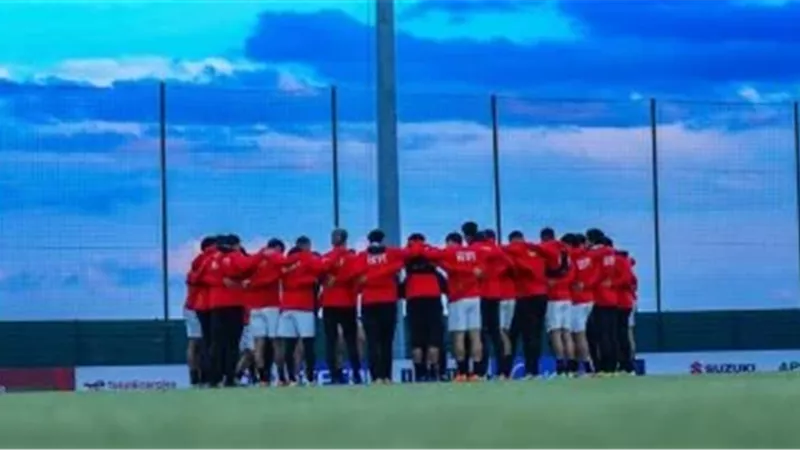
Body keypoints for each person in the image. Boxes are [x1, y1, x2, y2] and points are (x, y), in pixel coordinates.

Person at [424, 232, 486, 381]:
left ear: (451, 242)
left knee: (459, 336)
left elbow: (431, 255)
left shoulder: (450, 252)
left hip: (458, 298)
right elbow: (481, 271)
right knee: (475, 335)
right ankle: (477, 373)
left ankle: (462, 373)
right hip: (475, 297)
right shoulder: (474, 252)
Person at [352, 229, 406, 384]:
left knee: (373, 341)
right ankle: (387, 376)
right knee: (386, 341)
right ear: (383, 240)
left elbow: (358, 278)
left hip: (369, 302)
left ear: (369, 241)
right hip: (388, 301)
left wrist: (368, 278)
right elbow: (407, 258)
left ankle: (376, 377)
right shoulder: (392, 254)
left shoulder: (362, 256)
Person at [203, 234, 255, 387]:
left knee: (217, 343)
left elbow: (201, 276)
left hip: (216, 305)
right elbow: (249, 268)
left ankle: (214, 379)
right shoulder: (234, 257)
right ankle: (229, 378)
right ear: (235, 245)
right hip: (234, 304)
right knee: (231, 344)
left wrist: (220, 281)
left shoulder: (211, 258)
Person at [276, 237, 324, 386]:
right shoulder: (307, 261)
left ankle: (291, 378)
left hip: (287, 308)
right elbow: (320, 271)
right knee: (308, 345)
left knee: (289, 345)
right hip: (304, 308)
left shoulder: (284, 265)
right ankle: (310, 378)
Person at [320, 229, 363, 385]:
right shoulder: (353, 258)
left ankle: (335, 375)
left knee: (331, 341)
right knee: (350, 340)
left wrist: (332, 280)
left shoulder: (326, 257)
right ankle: (356, 374)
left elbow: (319, 274)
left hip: (330, 303)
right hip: (347, 303)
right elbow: (357, 279)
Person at [504, 231, 548, 379]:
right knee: (535, 333)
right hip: (542, 295)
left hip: (525, 296)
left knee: (516, 334)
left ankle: (507, 370)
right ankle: (533, 370)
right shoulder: (536, 250)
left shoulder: (514, 251)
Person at [241, 238, 285, 386]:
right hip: (271, 306)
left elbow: (245, 276)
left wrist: (252, 283)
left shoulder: (255, 259)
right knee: (276, 342)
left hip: (255, 307)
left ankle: (263, 379)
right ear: (277, 248)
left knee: (258, 343)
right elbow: (276, 276)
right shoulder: (277, 259)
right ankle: (281, 378)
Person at [402, 233, 446, 382]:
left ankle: (420, 373)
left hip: (414, 297)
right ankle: (434, 372)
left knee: (417, 339)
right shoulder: (431, 254)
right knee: (434, 338)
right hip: (432, 297)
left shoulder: (407, 256)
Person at [474, 229, 514, 380]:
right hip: (496, 294)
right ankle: (503, 370)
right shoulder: (498, 250)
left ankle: (481, 371)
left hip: (482, 294)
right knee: (496, 334)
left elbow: (477, 270)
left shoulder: (477, 249)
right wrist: (498, 272)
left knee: (482, 334)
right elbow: (510, 264)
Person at [184, 236, 217, 387]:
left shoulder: (197, 263)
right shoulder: (205, 262)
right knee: (199, 342)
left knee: (195, 342)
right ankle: (200, 375)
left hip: (192, 306)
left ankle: (195, 376)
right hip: (198, 307)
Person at [586, 229, 619, 375]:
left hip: (599, 297)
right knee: (611, 333)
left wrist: (586, 285)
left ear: (592, 240)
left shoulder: (594, 254)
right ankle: (613, 365)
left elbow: (595, 274)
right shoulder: (610, 252)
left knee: (601, 334)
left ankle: (604, 366)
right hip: (612, 297)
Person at [544, 232, 576, 376]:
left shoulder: (549, 254)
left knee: (556, 333)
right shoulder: (568, 256)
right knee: (567, 333)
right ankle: (571, 366)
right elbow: (571, 276)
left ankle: (560, 366)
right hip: (567, 298)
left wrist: (552, 283)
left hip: (554, 298)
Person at [567, 233, 597, 374]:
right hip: (589, 298)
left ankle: (583, 366)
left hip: (577, 300)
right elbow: (595, 275)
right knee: (580, 334)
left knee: (578, 335)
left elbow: (569, 277)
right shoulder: (588, 256)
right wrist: (586, 284)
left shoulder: (572, 256)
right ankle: (582, 365)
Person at [614, 250, 636, 374]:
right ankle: (629, 360)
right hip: (629, 302)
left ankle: (626, 362)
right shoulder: (630, 270)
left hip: (622, 303)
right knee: (627, 332)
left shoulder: (623, 269)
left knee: (623, 334)